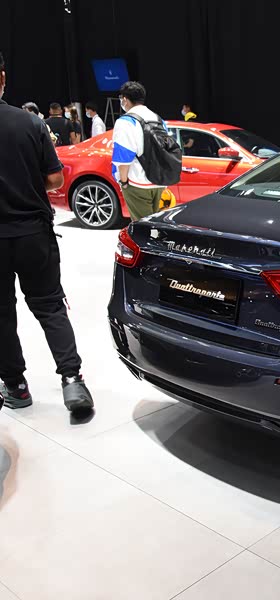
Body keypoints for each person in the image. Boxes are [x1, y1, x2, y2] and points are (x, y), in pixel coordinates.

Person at [0, 52, 94, 413]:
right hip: (33, 234)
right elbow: (55, 178)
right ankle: (72, 381)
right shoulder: (30, 123)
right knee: (51, 306)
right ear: (3, 78)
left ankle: (15, 386)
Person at [112, 81, 166, 221]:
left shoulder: (125, 122)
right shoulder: (158, 118)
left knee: (142, 227)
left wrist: (124, 182)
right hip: (159, 181)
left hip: (137, 182)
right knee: (156, 224)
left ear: (125, 99)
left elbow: (123, 158)